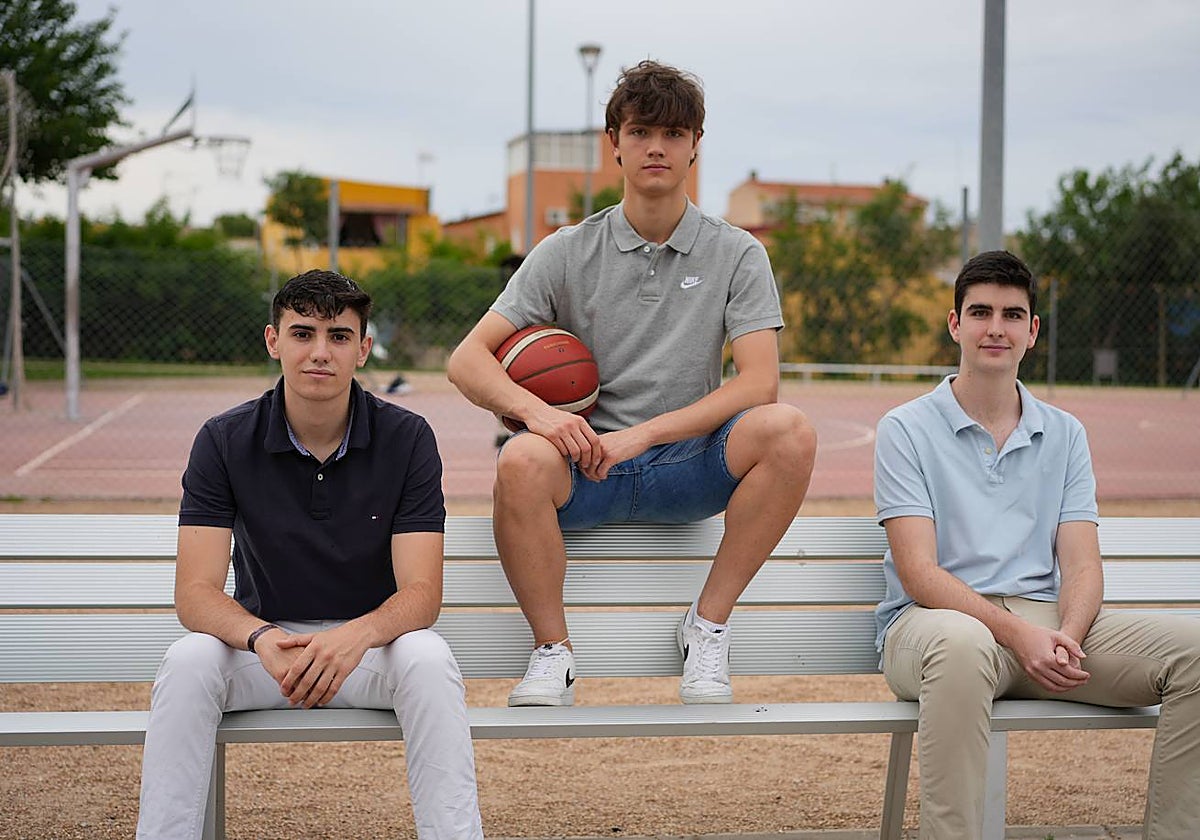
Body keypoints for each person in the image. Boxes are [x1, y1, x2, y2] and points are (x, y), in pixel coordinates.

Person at [447, 59, 817, 707]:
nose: (656, 147)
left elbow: (760, 385)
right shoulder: (566, 250)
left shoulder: (738, 252)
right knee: (521, 460)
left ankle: (707, 626)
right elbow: (466, 360)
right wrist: (544, 416)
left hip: (689, 467)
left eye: (674, 133)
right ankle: (553, 652)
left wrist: (641, 436)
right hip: (586, 466)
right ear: (613, 143)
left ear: (696, 145)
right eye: (641, 131)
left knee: (788, 431)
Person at [136, 270, 483, 840]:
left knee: (428, 657)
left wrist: (358, 635)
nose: (320, 352)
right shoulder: (223, 439)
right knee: (188, 661)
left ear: (363, 349)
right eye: (303, 333)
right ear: (273, 341)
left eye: (339, 336)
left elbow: (422, 594)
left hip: (369, 651)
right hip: (268, 652)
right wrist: (260, 637)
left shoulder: (408, 437)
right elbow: (194, 594)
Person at [873, 250, 1200, 839]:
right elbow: (919, 573)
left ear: (1033, 331)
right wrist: (1019, 636)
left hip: (1043, 626)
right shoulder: (906, 428)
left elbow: (1082, 565)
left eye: (1012, 315)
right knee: (961, 645)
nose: (995, 328)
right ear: (955, 325)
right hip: (933, 627)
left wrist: (1065, 639)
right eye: (980, 313)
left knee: (1195, 655)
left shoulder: (1066, 433)